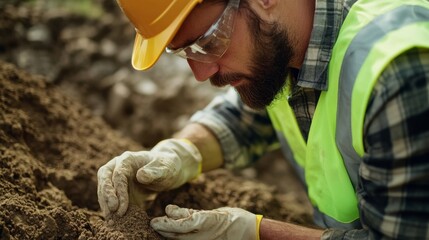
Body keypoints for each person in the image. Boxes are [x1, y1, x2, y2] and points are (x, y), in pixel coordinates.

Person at [97, 0, 429, 239]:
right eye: (185, 53)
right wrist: (178, 155)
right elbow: (242, 118)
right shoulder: (284, 45)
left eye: (207, 43)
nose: (201, 73)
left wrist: (255, 233)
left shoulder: (398, 72)